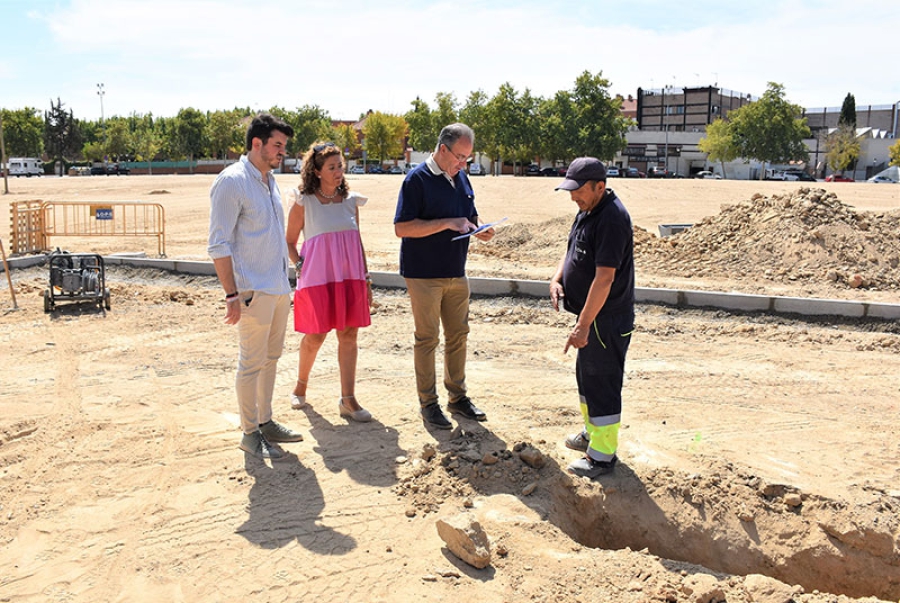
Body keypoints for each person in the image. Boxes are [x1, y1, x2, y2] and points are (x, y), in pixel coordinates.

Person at [208, 113, 304, 461]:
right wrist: (232, 294)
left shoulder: (268, 180)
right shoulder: (231, 182)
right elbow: (219, 244)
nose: (282, 152)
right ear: (257, 144)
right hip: (252, 290)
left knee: (271, 359)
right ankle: (250, 433)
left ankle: (265, 421)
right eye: (277, 145)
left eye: (283, 146)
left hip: (277, 287)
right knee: (251, 363)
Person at [394, 123, 495, 430]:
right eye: (460, 157)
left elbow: (469, 215)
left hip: (456, 271)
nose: (464, 164)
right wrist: (447, 223)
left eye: (467, 158)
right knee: (427, 339)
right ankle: (428, 403)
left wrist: (480, 229)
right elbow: (402, 228)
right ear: (442, 149)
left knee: (458, 336)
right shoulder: (416, 180)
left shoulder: (462, 178)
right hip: (423, 274)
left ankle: (458, 398)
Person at [549, 157, 635, 479]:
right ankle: (591, 433)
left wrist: (583, 326)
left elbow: (604, 279)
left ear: (600, 186)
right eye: (570, 190)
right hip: (591, 318)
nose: (573, 196)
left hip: (605, 320)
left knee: (602, 383)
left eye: (578, 191)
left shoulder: (611, 219)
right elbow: (572, 251)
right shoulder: (588, 210)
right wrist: (557, 278)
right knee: (587, 380)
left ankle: (601, 456)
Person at [285, 141, 373, 422]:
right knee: (316, 334)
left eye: (341, 167)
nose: (338, 172)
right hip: (317, 279)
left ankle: (348, 399)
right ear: (317, 171)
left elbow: (356, 241)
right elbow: (289, 241)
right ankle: (300, 386)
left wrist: (367, 279)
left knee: (349, 334)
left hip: (350, 277)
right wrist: (300, 265)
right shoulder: (304, 201)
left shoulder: (350, 201)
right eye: (332, 167)